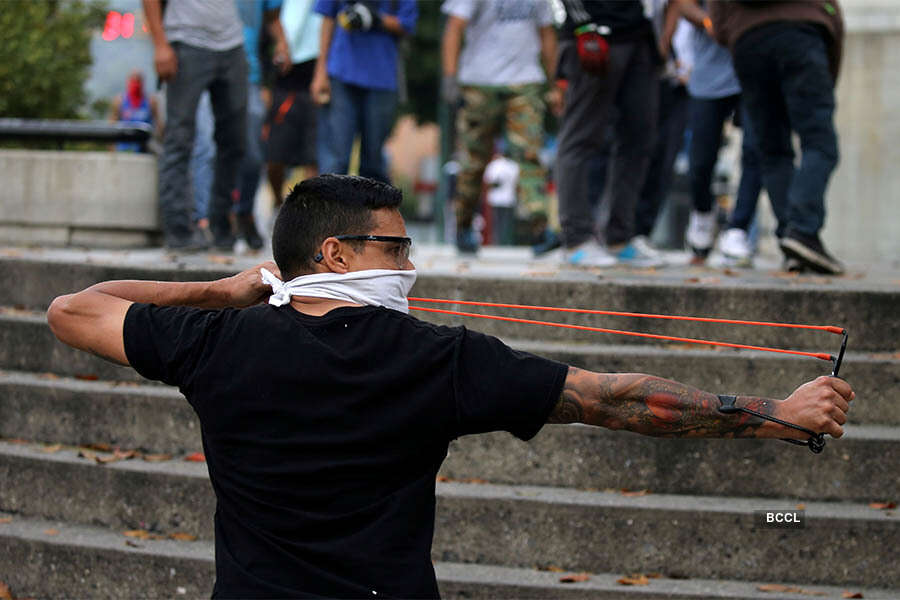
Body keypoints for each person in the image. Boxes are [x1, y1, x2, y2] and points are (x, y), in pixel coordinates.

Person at [46, 174, 854, 598]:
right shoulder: (436, 358)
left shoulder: (215, 339)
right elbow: (614, 398)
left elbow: (74, 310)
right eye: (394, 249)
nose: (410, 264)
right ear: (335, 254)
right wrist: (775, 415)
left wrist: (220, 293)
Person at [709, 0, 845, 274]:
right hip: (802, 33)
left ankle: (790, 237)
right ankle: (802, 231)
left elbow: (717, 23)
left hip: (748, 42)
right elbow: (833, 13)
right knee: (820, 143)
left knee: (772, 150)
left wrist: (740, 30)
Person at [441, 0, 558, 255]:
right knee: (473, 160)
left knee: (529, 153)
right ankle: (463, 225)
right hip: (480, 82)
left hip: (525, 81)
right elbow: (454, 28)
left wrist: (555, 83)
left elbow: (547, 33)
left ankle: (540, 227)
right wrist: (450, 77)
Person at [555, 0, 663, 268]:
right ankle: (576, 239)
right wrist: (583, 24)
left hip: (638, 34)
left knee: (639, 137)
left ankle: (620, 237)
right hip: (592, 34)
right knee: (581, 136)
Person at [661, 0, 762, 267]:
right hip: (708, 76)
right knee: (700, 160)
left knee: (755, 150)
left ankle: (738, 228)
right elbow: (682, 4)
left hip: (752, 69)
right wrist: (709, 22)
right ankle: (703, 215)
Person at [143, 0, 248, 252]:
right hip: (185, 42)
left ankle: (220, 227)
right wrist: (160, 44)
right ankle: (179, 231)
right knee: (179, 139)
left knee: (235, 141)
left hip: (232, 42)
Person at [311, 0, 418, 183]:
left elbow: (407, 23)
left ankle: (369, 211)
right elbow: (327, 18)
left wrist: (376, 19)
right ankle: (330, 210)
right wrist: (320, 72)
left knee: (374, 162)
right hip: (341, 74)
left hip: (382, 79)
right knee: (336, 160)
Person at [265, 0, 323, 217]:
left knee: (313, 156)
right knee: (274, 155)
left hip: (317, 78)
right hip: (286, 81)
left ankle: (308, 217)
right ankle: (278, 203)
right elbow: (269, 18)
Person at [108, 69, 160, 152]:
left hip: (145, 148)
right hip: (123, 148)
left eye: (138, 80)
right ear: (128, 81)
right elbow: (112, 125)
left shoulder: (151, 101)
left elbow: (158, 126)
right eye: (133, 80)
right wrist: (112, 150)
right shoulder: (119, 101)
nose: (136, 84)